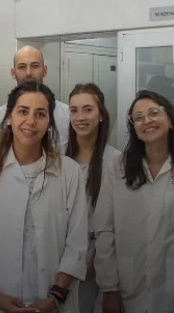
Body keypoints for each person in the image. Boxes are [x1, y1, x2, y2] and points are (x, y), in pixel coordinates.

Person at [0, 81, 88, 313]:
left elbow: (77, 245)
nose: (31, 121)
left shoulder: (69, 172)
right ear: (9, 117)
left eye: (40, 114)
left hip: (53, 303)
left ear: (49, 123)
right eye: (23, 111)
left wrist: (56, 298)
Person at [94, 90, 174, 313]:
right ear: (134, 128)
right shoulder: (117, 169)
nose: (146, 120)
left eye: (154, 113)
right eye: (138, 117)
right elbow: (104, 230)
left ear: (170, 120)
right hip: (126, 288)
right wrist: (109, 288)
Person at [64, 83, 120, 313]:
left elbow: (116, 224)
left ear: (101, 115)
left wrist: (94, 264)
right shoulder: (56, 156)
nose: (80, 117)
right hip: (58, 260)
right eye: (74, 110)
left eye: (88, 110)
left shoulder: (116, 162)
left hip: (96, 264)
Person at [0, 46, 69, 152]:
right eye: (22, 67)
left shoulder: (67, 115)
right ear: (13, 73)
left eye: (35, 66)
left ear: (45, 70)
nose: (28, 73)